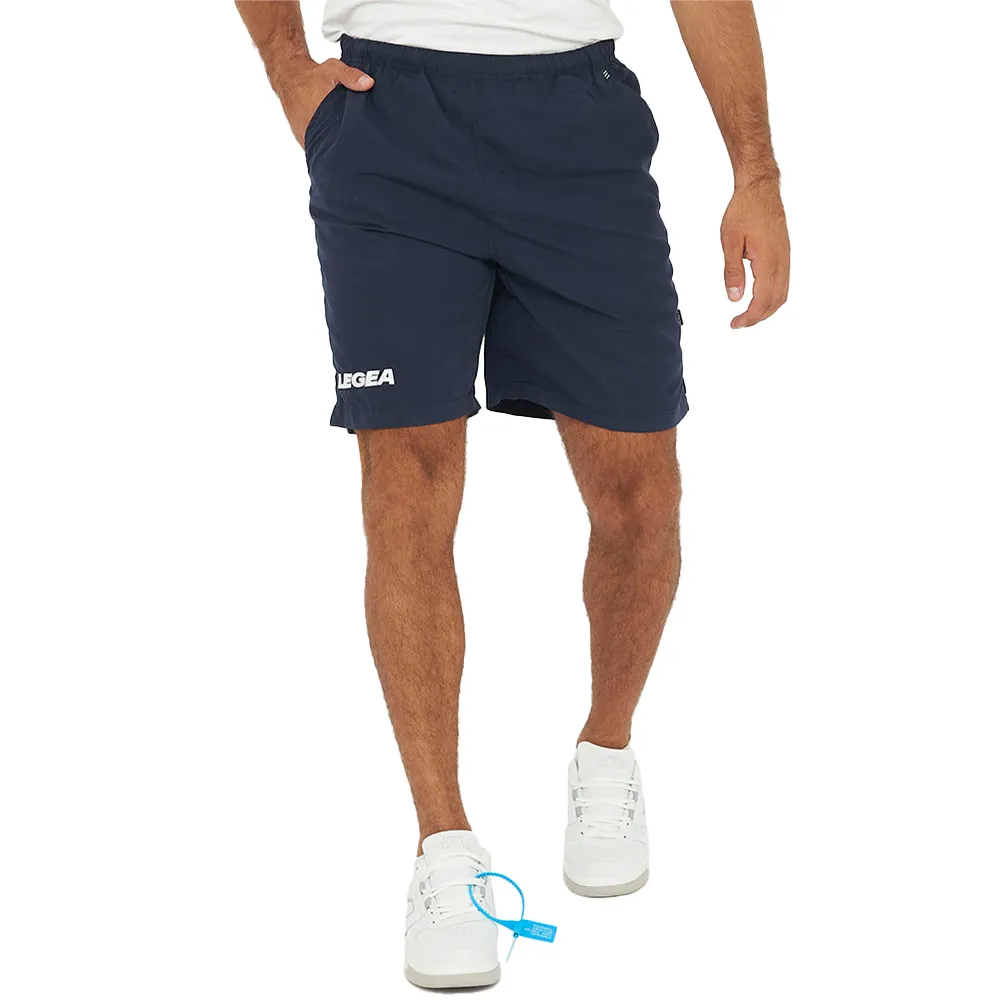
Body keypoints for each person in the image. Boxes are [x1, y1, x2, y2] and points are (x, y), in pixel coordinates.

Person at [236, 0, 789, 988]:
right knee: (405, 486)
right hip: (389, 117)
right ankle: (444, 847)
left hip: (578, 122)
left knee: (639, 493)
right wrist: (286, 63)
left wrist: (757, 172)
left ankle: (605, 753)